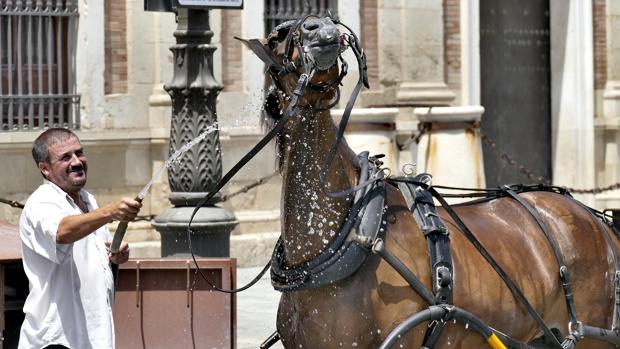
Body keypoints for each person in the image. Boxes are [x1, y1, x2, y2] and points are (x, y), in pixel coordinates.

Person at [18, 128, 142, 349]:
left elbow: (89, 252)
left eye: (79, 153)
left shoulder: (88, 200)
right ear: (45, 169)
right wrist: (110, 211)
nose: (77, 162)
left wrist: (114, 254)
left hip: (94, 338)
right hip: (56, 340)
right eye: (65, 157)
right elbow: (61, 232)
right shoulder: (41, 201)